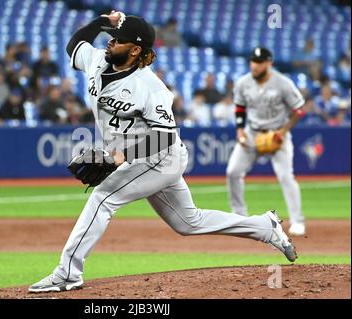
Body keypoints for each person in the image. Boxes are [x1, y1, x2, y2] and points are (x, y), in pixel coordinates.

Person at [28, 12, 297, 294]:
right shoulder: (97, 61)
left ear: (135, 50)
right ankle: (264, 226)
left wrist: (121, 156)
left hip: (159, 158)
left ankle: (67, 273)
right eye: (110, 37)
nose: (110, 42)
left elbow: (164, 135)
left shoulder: (150, 87)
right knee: (188, 222)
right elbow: (74, 46)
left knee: (103, 198)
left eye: (117, 39)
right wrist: (99, 22)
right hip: (143, 158)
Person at [226, 47, 307, 237]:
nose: (255, 65)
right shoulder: (243, 83)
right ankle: (238, 215)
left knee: (286, 177)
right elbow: (239, 107)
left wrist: (284, 131)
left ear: (268, 63)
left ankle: (297, 221)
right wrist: (239, 130)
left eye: (259, 62)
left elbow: (299, 110)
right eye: (253, 61)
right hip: (252, 133)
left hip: (278, 135)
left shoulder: (282, 83)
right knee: (233, 172)